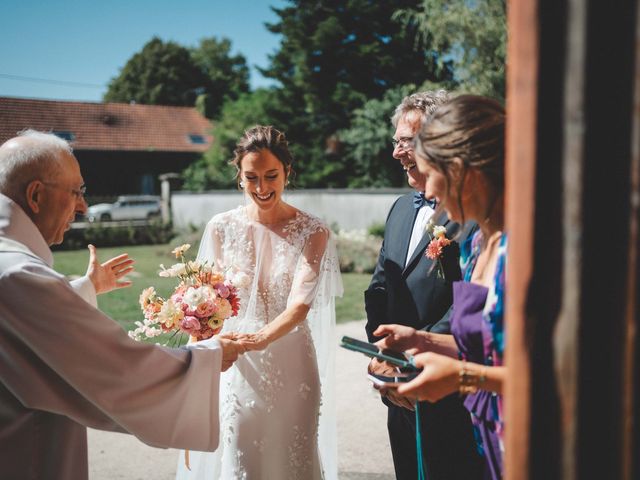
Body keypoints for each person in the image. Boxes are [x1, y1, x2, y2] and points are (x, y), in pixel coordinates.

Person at [0, 130, 243, 480]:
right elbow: (117, 368)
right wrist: (208, 357)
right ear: (36, 195)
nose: (83, 206)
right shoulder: (18, 275)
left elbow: (31, 319)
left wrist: (87, 287)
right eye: (77, 192)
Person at [176, 125, 342, 480]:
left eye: (271, 176)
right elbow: (208, 308)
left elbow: (299, 306)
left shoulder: (313, 231)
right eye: (252, 177)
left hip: (293, 361)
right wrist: (193, 373)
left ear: (287, 174)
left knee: (293, 459)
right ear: (239, 176)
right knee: (241, 458)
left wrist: (260, 339)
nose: (262, 188)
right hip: (237, 365)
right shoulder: (221, 228)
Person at [375, 95, 507, 480]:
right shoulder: (482, 244)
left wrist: (460, 376)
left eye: (432, 173)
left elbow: (563, 376)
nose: (429, 193)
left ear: (465, 170)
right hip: (487, 431)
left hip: (521, 437)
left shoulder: (528, 249)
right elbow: (483, 341)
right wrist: (421, 340)